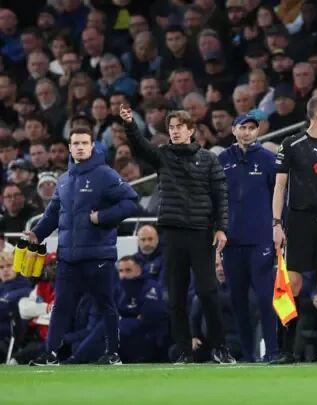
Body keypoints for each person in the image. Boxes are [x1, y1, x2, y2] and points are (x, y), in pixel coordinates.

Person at [120, 105, 235, 364]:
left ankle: (220, 347)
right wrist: (130, 124)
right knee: (176, 295)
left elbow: (221, 196)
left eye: (179, 127)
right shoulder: (163, 155)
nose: (174, 132)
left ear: (191, 130)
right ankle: (184, 350)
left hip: (201, 233)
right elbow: (140, 147)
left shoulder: (209, 159)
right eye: (171, 128)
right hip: (172, 234)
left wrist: (221, 228)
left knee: (208, 292)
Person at [27, 126, 139, 366]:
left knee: (105, 304)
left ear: (92, 147)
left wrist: (103, 217)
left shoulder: (106, 174)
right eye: (76, 143)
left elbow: (131, 201)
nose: (79, 147)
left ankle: (113, 353)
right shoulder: (64, 180)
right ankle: (51, 354)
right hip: (68, 256)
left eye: (84, 143)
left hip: (98, 255)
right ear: (70, 147)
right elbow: (53, 213)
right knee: (61, 305)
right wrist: (37, 234)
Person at [272, 95, 317, 364]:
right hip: (298, 221)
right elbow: (280, 186)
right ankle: (285, 349)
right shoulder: (291, 144)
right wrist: (276, 223)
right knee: (292, 283)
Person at [217, 113, 279, 363]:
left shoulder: (269, 160)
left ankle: (272, 351)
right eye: (243, 127)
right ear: (234, 130)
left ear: (258, 131)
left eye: (252, 128)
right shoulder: (222, 160)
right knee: (238, 300)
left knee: (265, 298)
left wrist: (279, 228)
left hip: (261, 239)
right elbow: (215, 198)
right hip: (232, 241)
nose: (247, 132)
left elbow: (279, 198)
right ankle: (247, 355)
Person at [116, 256, 169, 363]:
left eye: (128, 270)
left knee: (116, 328)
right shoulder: (118, 287)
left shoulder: (149, 285)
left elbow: (150, 314)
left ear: (138, 270)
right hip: (128, 327)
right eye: (121, 271)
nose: (124, 275)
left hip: (148, 335)